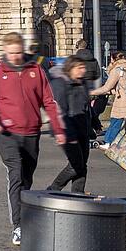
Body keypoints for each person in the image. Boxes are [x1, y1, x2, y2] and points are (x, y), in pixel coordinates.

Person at [0, 32, 66, 247]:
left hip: (31, 132)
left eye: (18, 52)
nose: (15, 57)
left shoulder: (35, 70)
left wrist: (57, 129)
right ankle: (18, 226)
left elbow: (48, 101)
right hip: (7, 134)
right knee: (16, 174)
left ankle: (26, 218)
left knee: (27, 179)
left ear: (23, 50)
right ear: (5, 52)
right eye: (11, 53)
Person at [47, 56, 93, 193]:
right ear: (70, 68)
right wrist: (65, 132)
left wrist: (94, 121)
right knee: (75, 165)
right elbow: (59, 110)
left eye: (83, 67)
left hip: (83, 128)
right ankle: (53, 189)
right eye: (79, 68)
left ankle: (78, 194)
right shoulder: (60, 84)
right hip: (67, 130)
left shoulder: (82, 83)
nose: (83, 70)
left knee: (82, 165)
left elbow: (87, 105)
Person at [91, 51, 126, 147]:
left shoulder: (118, 70)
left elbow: (107, 87)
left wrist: (91, 92)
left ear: (113, 59)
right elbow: (120, 87)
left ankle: (108, 142)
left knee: (115, 121)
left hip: (122, 101)